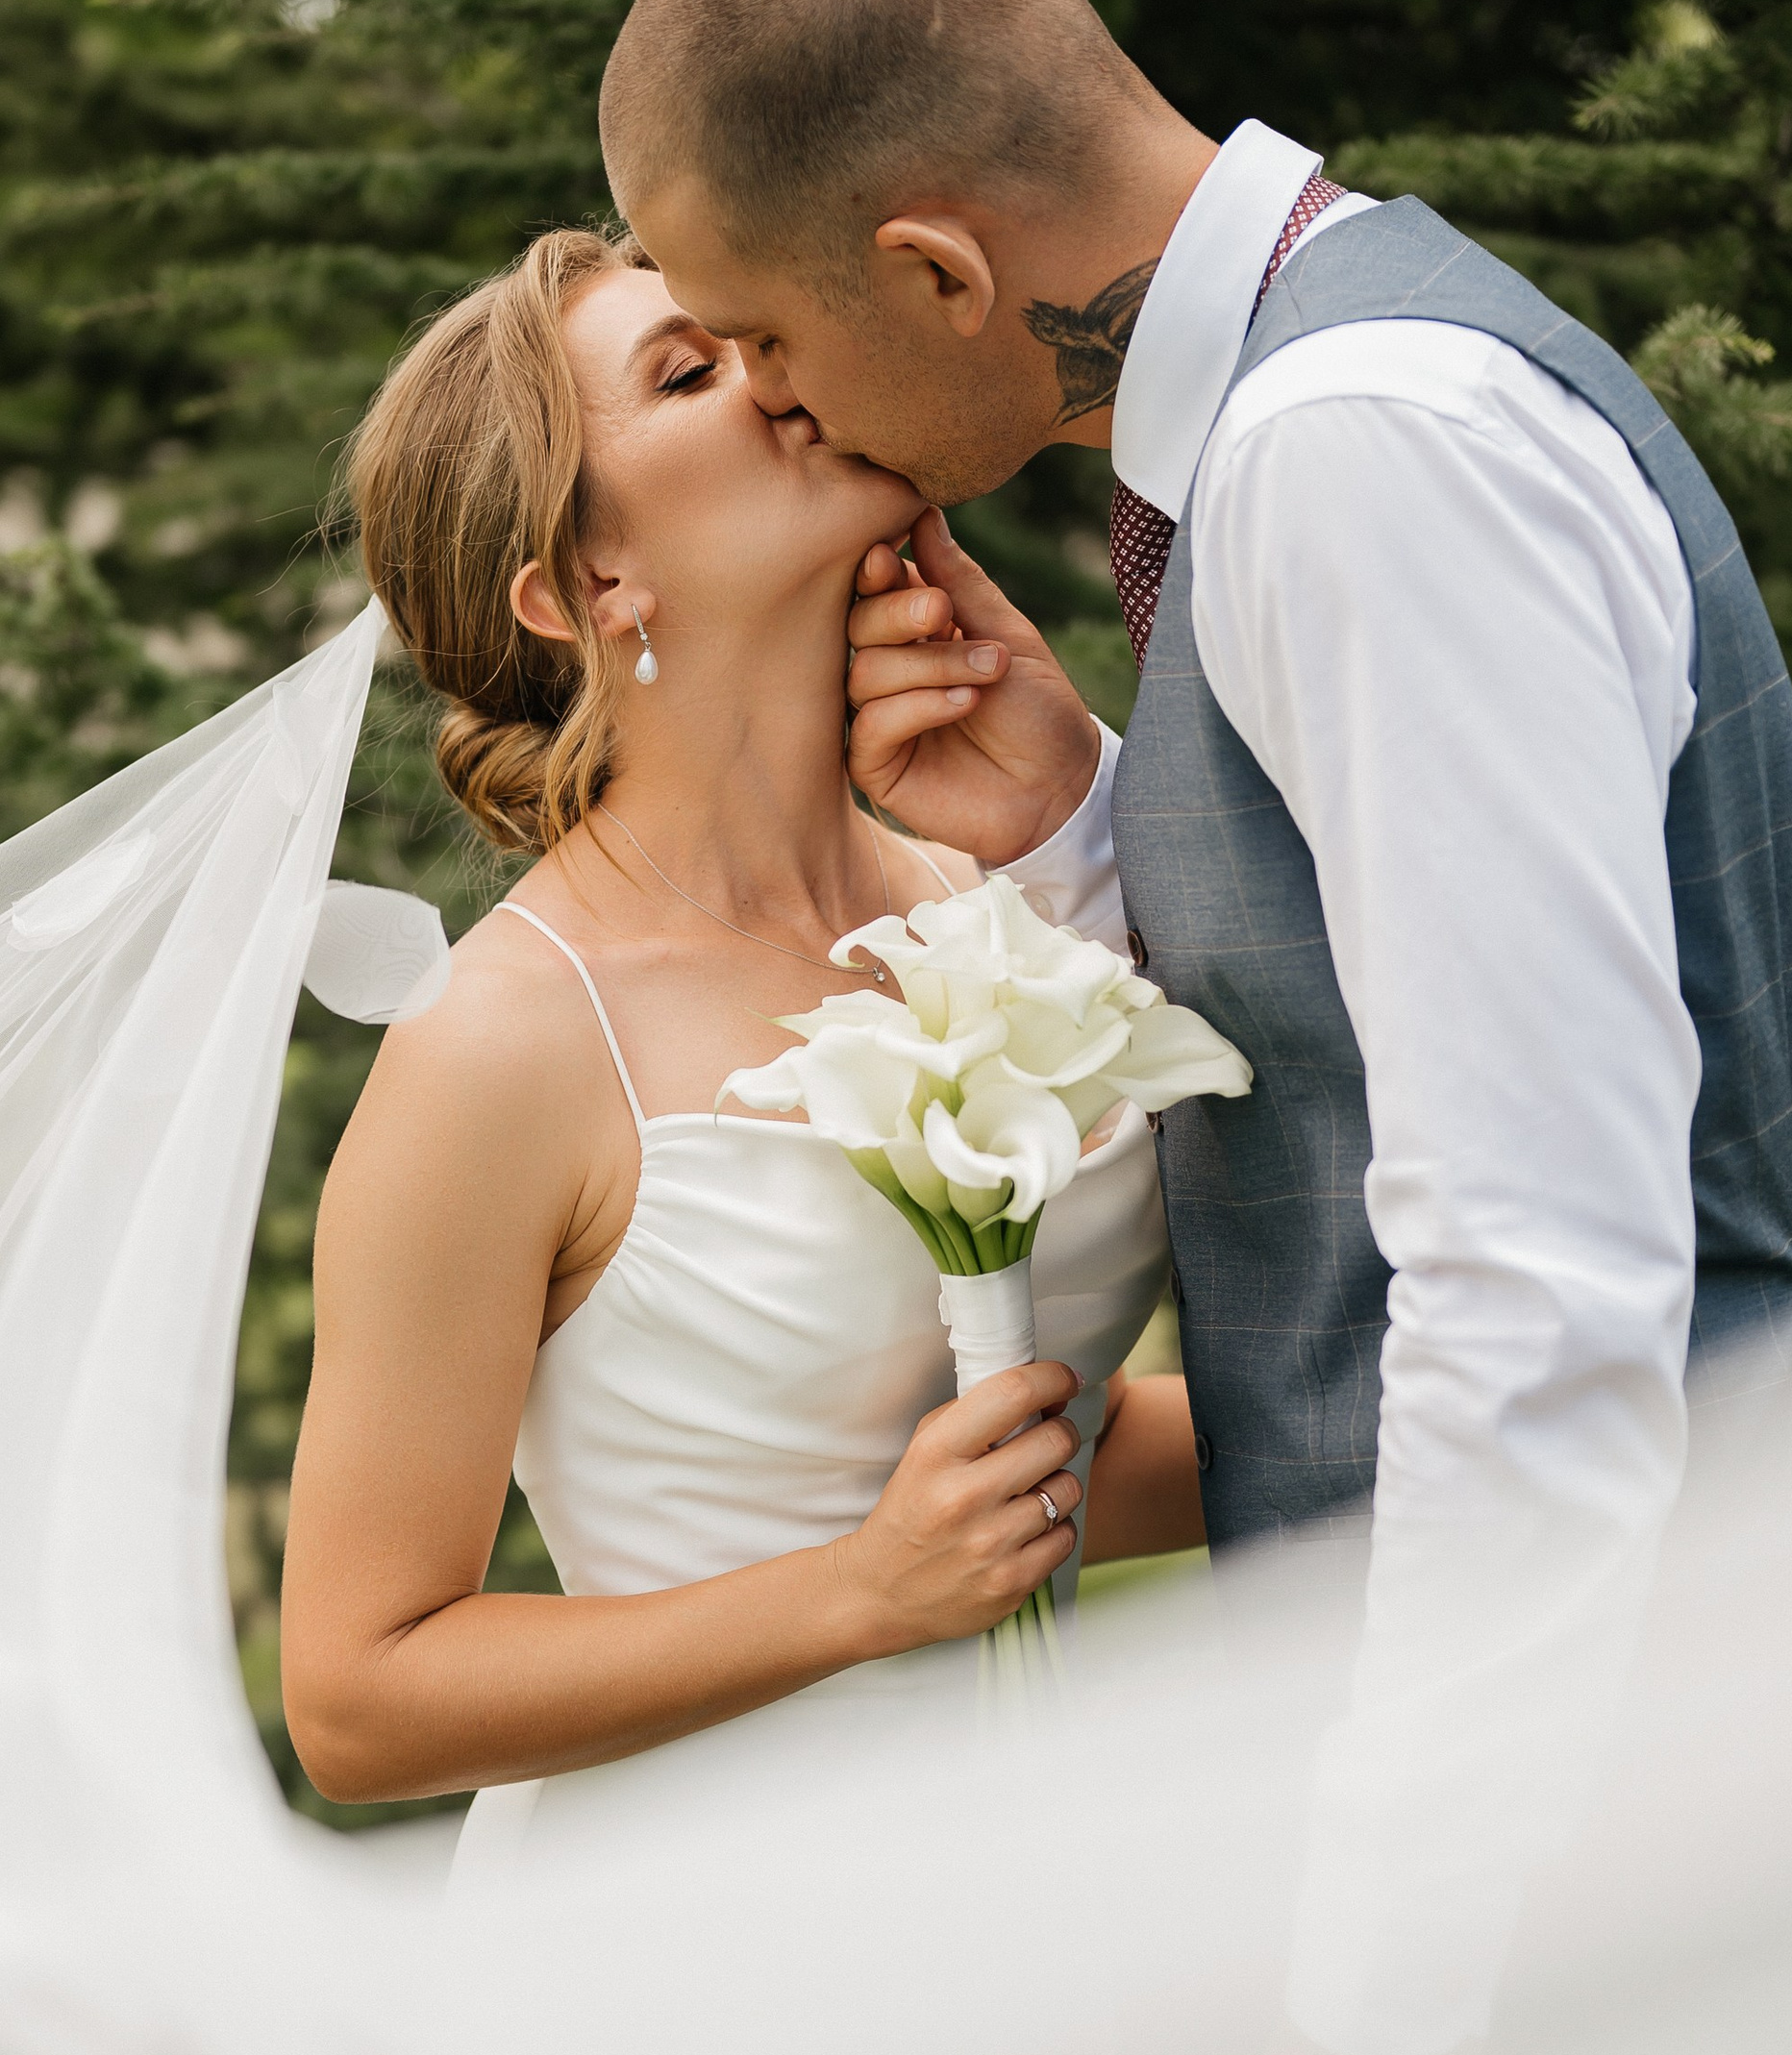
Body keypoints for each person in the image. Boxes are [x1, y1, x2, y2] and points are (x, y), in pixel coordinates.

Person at [598, 0, 1792, 2055]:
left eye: (775, 340)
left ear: (933, 266)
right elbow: (1396, 1017)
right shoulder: (1316, 414)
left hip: (1645, 1784)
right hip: (1623, 1742)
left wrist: (1392, 1979)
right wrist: (1092, 807)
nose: (791, 415)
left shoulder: (1358, 451)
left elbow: (1531, 1271)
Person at [275, 228, 1208, 1820]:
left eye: (750, 335)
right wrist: (861, 1592)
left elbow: (1044, 1441)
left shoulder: (989, 903)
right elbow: (359, 1697)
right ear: (587, 586)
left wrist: (1500, 1383)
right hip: (696, 1955)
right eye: (691, 372)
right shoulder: (502, 1044)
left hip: (1052, 1888)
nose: (779, 376)